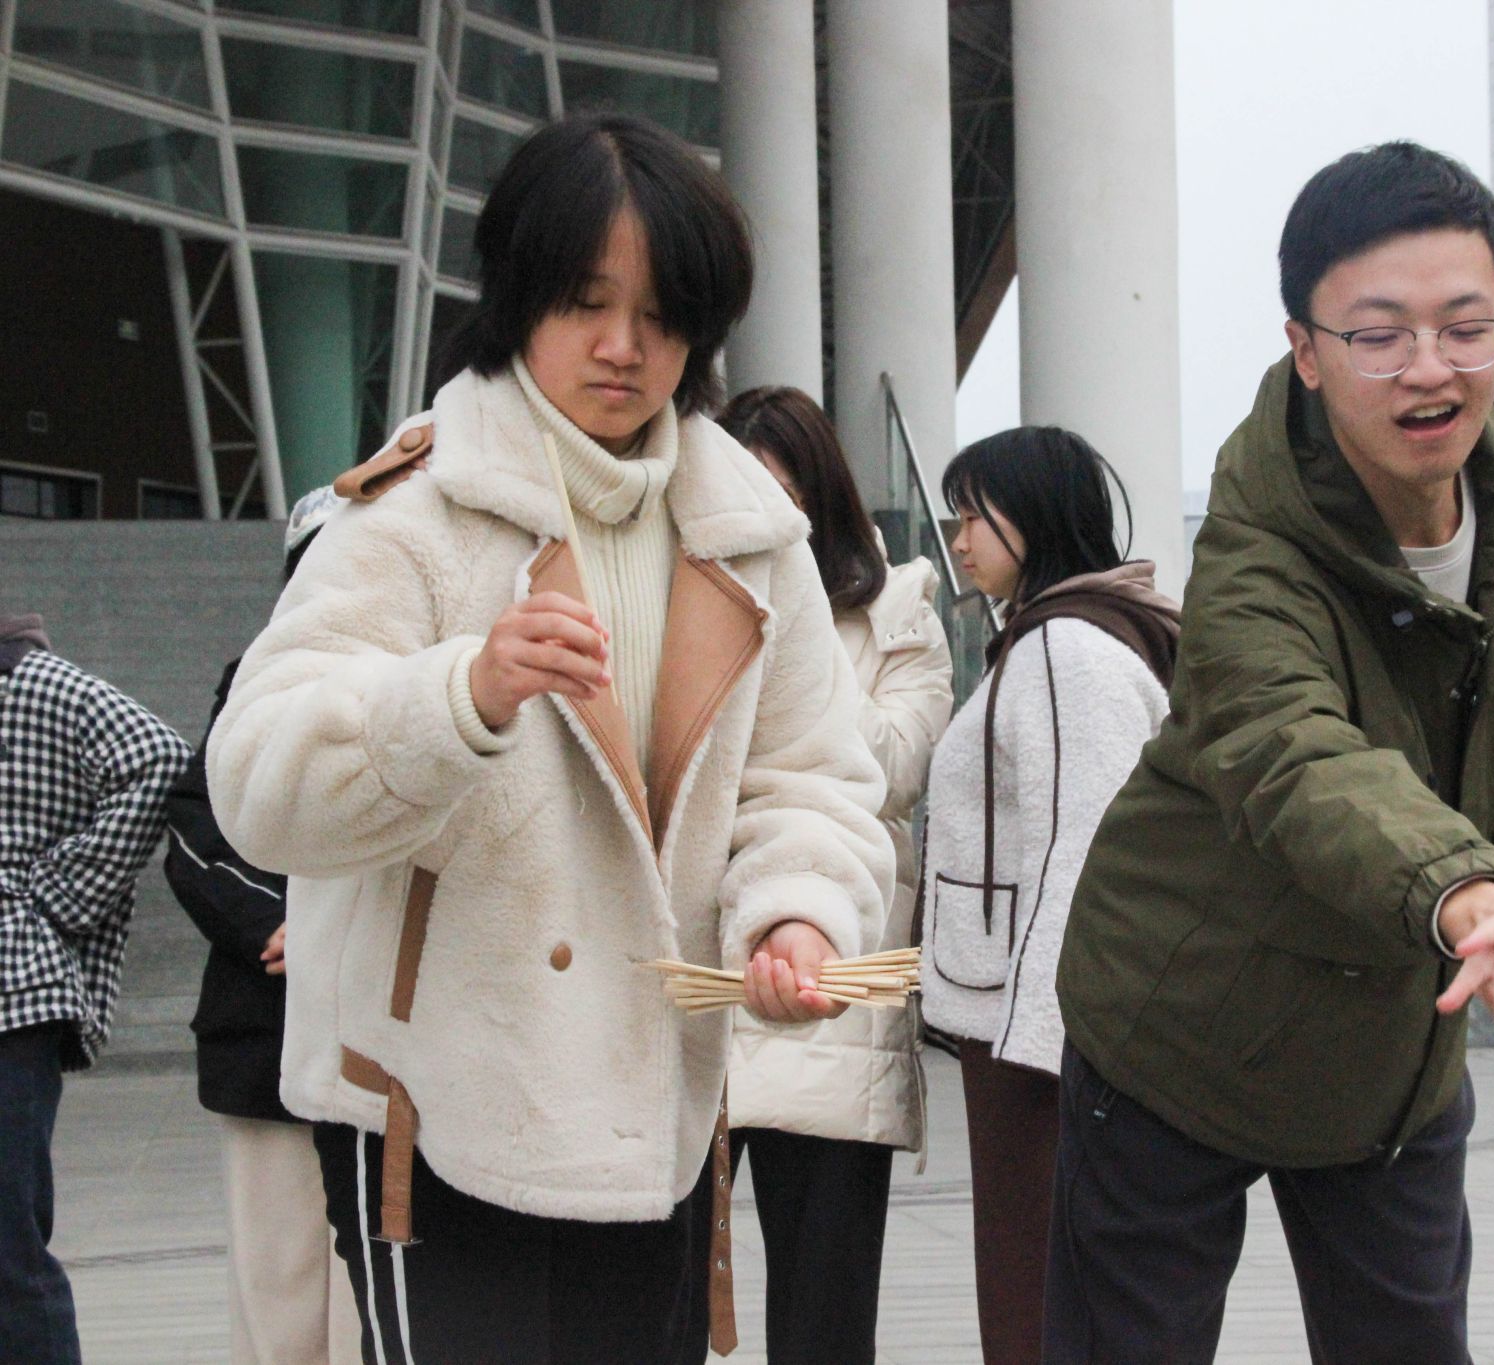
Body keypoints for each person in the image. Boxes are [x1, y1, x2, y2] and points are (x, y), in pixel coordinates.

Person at [204, 113, 892, 1364]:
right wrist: (458, 697)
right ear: (519, 295)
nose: (624, 347)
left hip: (651, 1120)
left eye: (662, 314)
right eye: (586, 302)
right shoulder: (413, 511)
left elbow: (810, 779)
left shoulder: (753, 534)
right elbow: (256, 780)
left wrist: (795, 917)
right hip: (434, 1111)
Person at [1046, 142, 1494, 1364]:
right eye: (1378, 334)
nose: (1428, 369)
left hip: (1389, 1044)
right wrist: (1465, 888)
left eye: (1465, 327)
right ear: (1304, 351)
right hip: (1180, 1024)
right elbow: (1290, 750)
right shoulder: (1254, 549)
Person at [676, 385, 953, 1365]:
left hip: (830, 991)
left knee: (824, 1319)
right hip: (702, 984)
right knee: (656, 1306)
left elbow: (889, 769)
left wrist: (790, 638)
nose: (763, 519)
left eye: (784, 497)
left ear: (821, 498)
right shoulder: (682, 597)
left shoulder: (901, 614)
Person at [918, 427, 1179, 1365]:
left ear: (1035, 514)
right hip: (1029, 1025)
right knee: (1037, 1290)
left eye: (974, 514)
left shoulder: (1068, 649)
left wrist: (1044, 1051)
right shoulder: (1058, 634)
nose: (958, 537)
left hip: (1037, 1041)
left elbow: (1083, 850)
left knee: (1034, 1297)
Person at [163, 489, 358, 1365]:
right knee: (278, 1286)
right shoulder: (252, 681)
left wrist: (335, 932)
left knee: (377, 1296)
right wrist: (276, 924)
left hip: (388, 1038)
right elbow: (196, 827)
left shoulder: (437, 684)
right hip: (265, 1030)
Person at [0, 614, 189, 1364]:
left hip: (11, 994)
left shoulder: (29, 678)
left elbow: (160, 759)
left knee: (6, 1249)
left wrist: (58, 894)